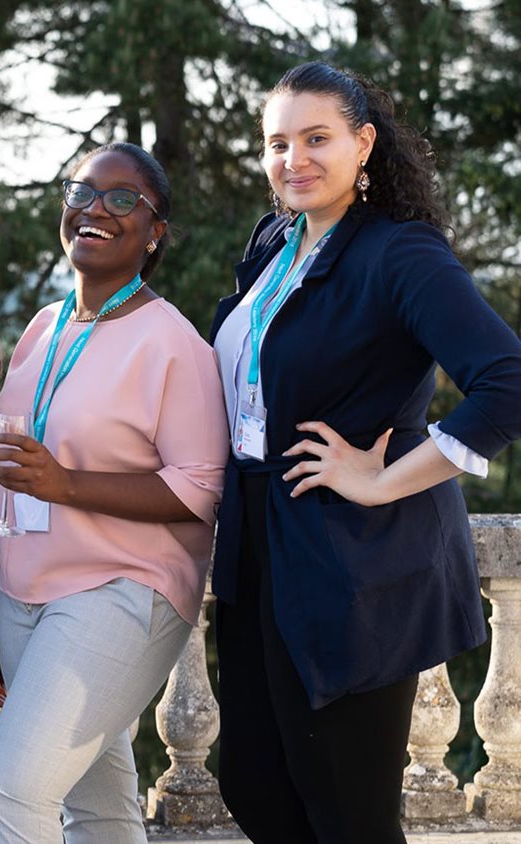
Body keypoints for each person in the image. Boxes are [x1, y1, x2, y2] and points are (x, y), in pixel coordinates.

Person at [209, 62, 521, 842]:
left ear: (365, 144)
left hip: (350, 556)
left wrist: (382, 481)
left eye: (317, 139)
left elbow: (507, 383)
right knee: (253, 783)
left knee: (347, 812)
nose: (294, 159)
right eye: (277, 143)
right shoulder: (275, 241)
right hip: (256, 546)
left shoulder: (399, 252)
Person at [0, 143, 228, 842]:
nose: (95, 209)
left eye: (122, 199)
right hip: (25, 596)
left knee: (14, 788)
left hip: (123, 590)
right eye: (81, 192)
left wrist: (67, 484)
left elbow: (200, 490)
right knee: (100, 803)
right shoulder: (42, 328)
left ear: (154, 232)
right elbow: (11, 483)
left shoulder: (173, 343)